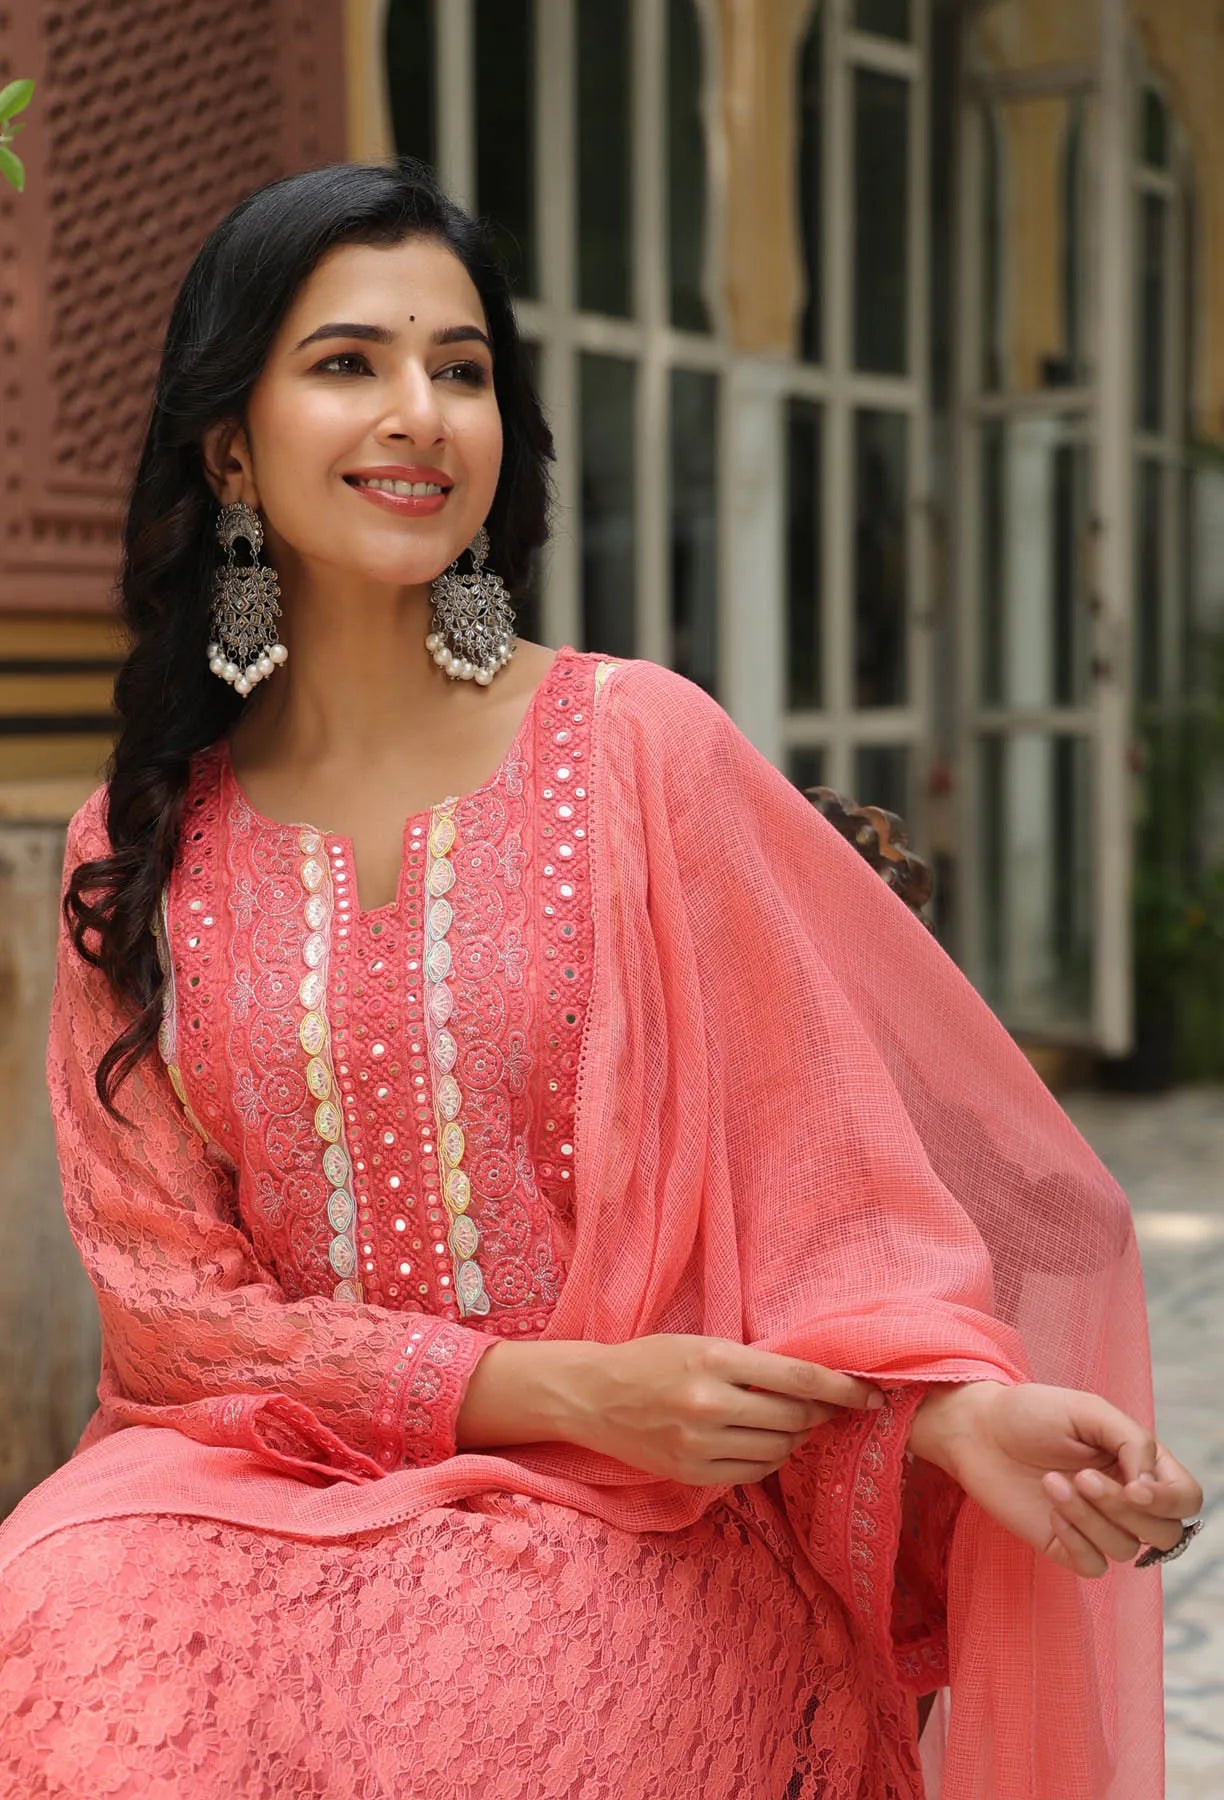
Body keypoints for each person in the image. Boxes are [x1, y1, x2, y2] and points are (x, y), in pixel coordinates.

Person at [0, 159, 1202, 1800]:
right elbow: (171, 1314)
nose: (420, 412)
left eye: (465, 367)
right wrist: (545, 1386)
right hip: (245, 1484)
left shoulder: (639, 750)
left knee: (487, 1723)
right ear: (231, 443)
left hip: (639, 1520)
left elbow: (831, 1196)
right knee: (55, 1645)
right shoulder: (130, 845)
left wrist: (945, 1416)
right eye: (349, 362)